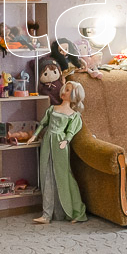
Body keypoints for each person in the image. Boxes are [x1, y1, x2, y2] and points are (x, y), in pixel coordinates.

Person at [34, 79, 87, 224]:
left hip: (60, 144)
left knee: (64, 176)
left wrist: (66, 141)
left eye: (68, 90)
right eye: (65, 89)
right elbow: (43, 124)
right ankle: (46, 214)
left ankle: (77, 211)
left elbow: (70, 132)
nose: (64, 91)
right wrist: (34, 136)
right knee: (46, 175)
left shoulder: (74, 115)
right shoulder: (52, 109)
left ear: (74, 94)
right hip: (47, 142)